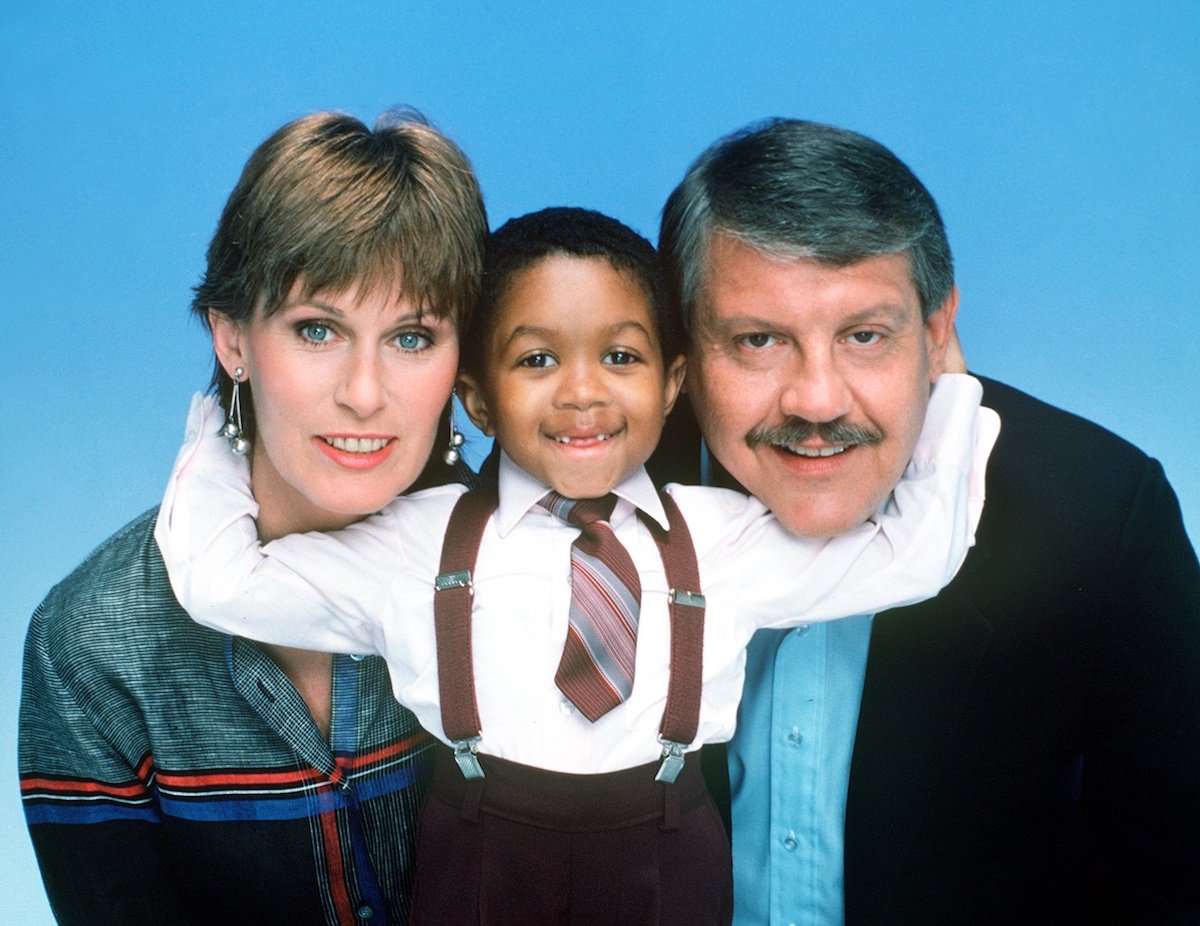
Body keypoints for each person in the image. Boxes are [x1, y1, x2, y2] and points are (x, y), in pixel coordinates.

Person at [154, 206, 997, 925]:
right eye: (537, 360)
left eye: (621, 357)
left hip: (666, 847)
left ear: (672, 384)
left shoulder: (726, 539)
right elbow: (221, 583)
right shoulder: (413, 542)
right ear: (478, 399)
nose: (582, 392)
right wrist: (221, 430)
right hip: (480, 849)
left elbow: (913, 558)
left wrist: (951, 389)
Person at [654, 118, 1200, 925]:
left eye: (864, 336)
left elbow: (1172, 886)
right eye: (758, 340)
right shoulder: (594, 496)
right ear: (686, 345)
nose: (817, 401)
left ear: (938, 332)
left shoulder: (1100, 517)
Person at [18, 109, 488, 926]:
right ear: (232, 338)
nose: (365, 394)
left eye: (412, 337)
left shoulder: (524, 580)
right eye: (317, 329)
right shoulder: (91, 643)